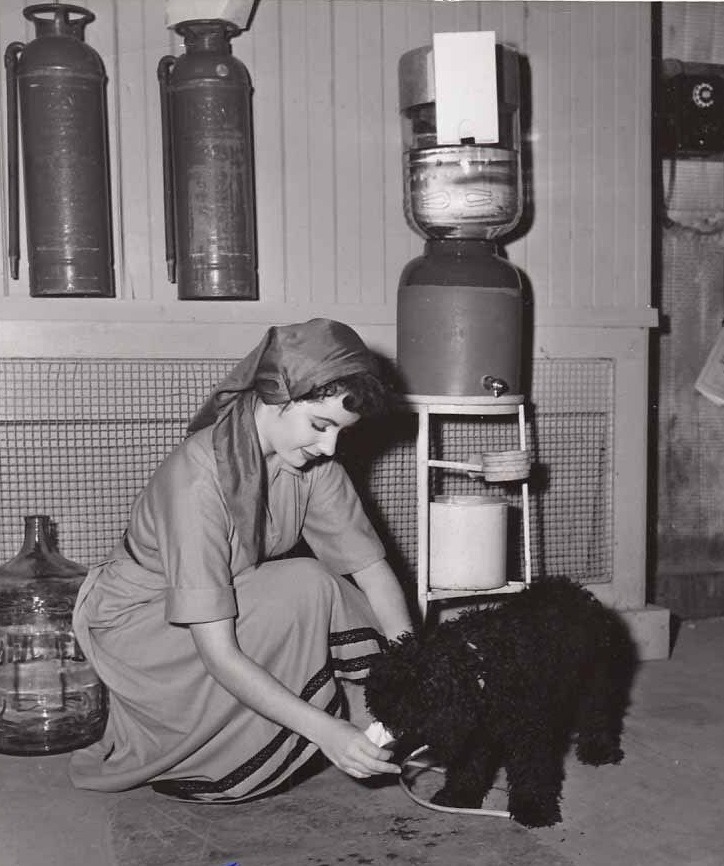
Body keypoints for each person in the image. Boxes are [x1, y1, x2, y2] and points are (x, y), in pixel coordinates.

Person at [69, 318, 414, 803]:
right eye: (320, 425)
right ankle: (234, 750)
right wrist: (325, 732)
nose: (330, 447)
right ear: (276, 395)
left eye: (340, 431)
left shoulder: (313, 464)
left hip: (222, 607)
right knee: (306, 583)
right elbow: (220, 654)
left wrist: (413, 670)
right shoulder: (197, 478)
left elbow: (373, 573)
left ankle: (379, 720)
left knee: (321, 588)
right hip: (139, 628)